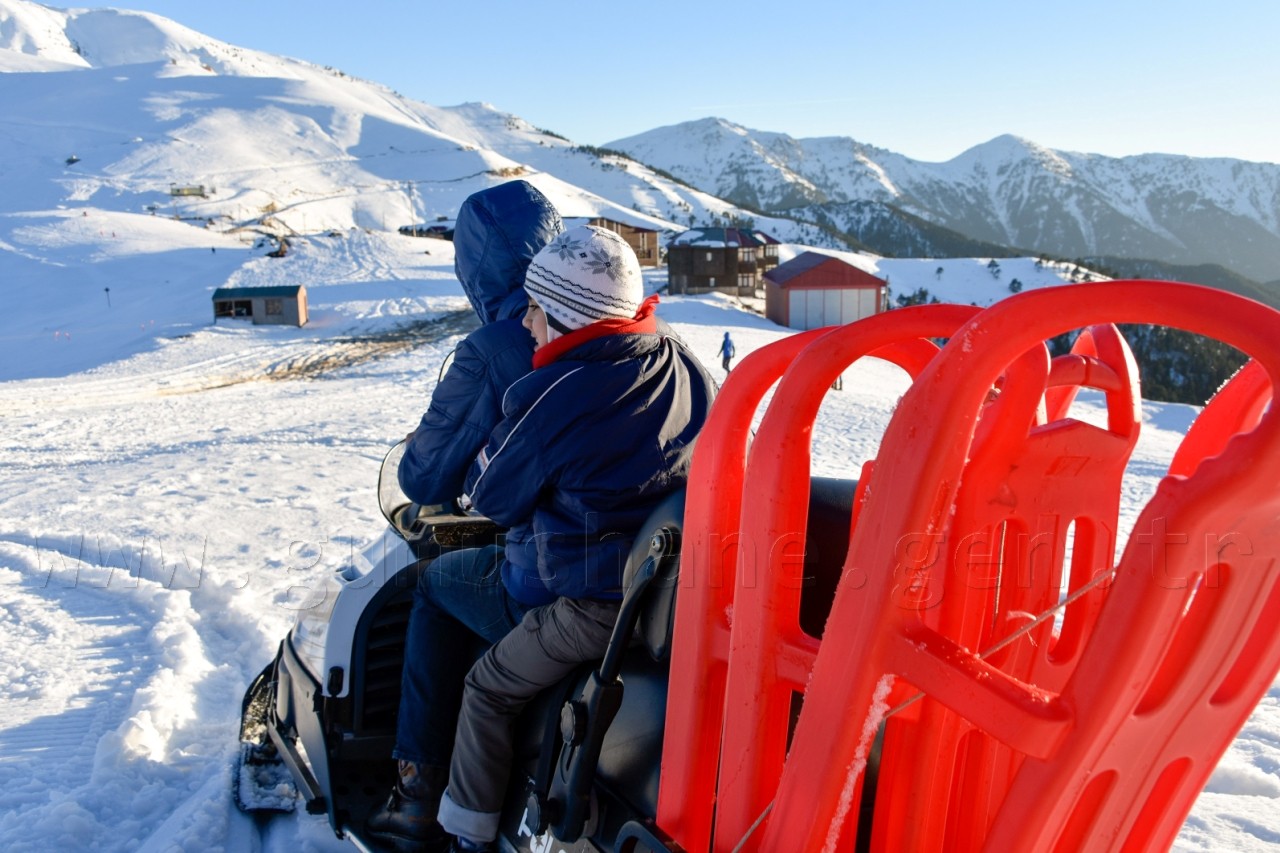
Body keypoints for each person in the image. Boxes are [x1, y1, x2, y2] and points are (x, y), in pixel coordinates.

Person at [367, 225, 716, 852]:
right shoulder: (683, 362)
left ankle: (446, 817)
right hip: (670, 585)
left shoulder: (554, 393)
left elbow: (492, 495)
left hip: (584, 602)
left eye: (535, 310)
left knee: (458, 635)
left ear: (567, 319)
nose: (526, 324)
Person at [397, 180, 563, 507]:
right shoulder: (617, 320)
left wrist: (419, 446)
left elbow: (424, 480)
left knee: (439, 561)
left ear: (473, 267)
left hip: (549, 541)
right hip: (653, 533)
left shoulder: (491, 350)